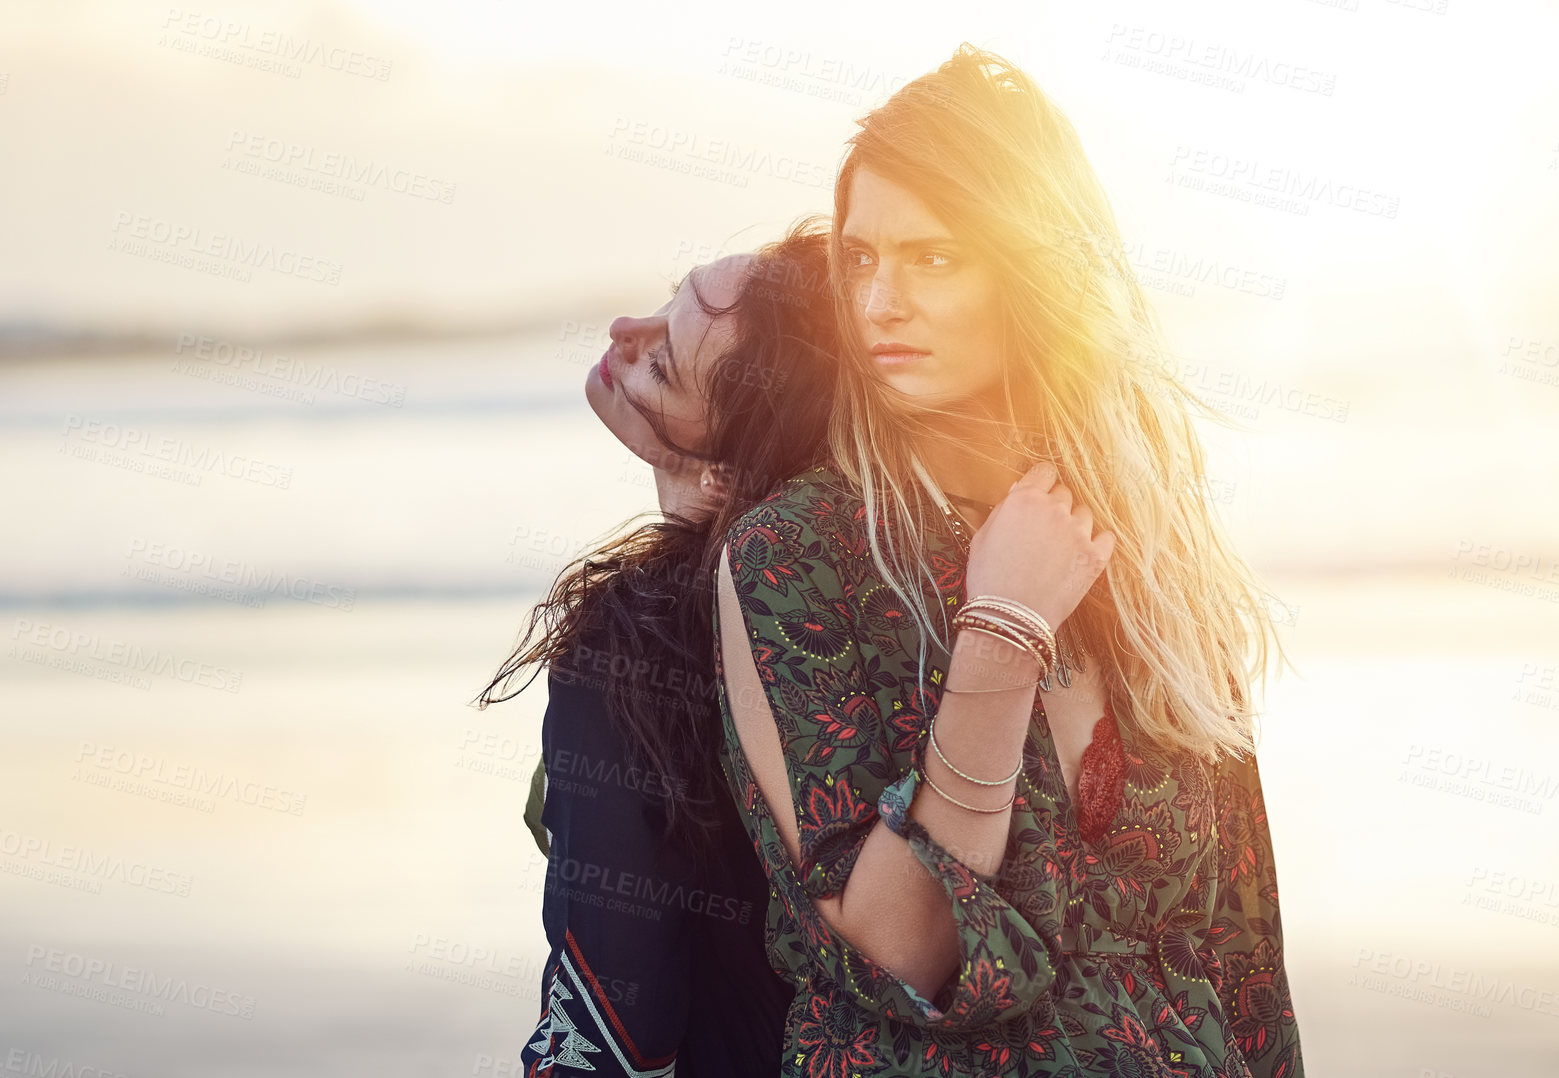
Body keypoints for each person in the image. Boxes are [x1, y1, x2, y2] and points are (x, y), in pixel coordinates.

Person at [712, 46, 1306, 1076]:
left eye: (933, 257)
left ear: (1031, 270)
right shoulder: (795, 556)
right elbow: (902, 947)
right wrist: (1002, 631)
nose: (881, 301)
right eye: (860, 258)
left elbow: (1240, 954)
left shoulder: (1154, 545)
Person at [476, 219, 843, 1076]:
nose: (621, 334)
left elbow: (608, 1032)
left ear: (729, 472)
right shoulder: (866, 615)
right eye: (662, 309)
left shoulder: (635, 648)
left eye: (662, 365)